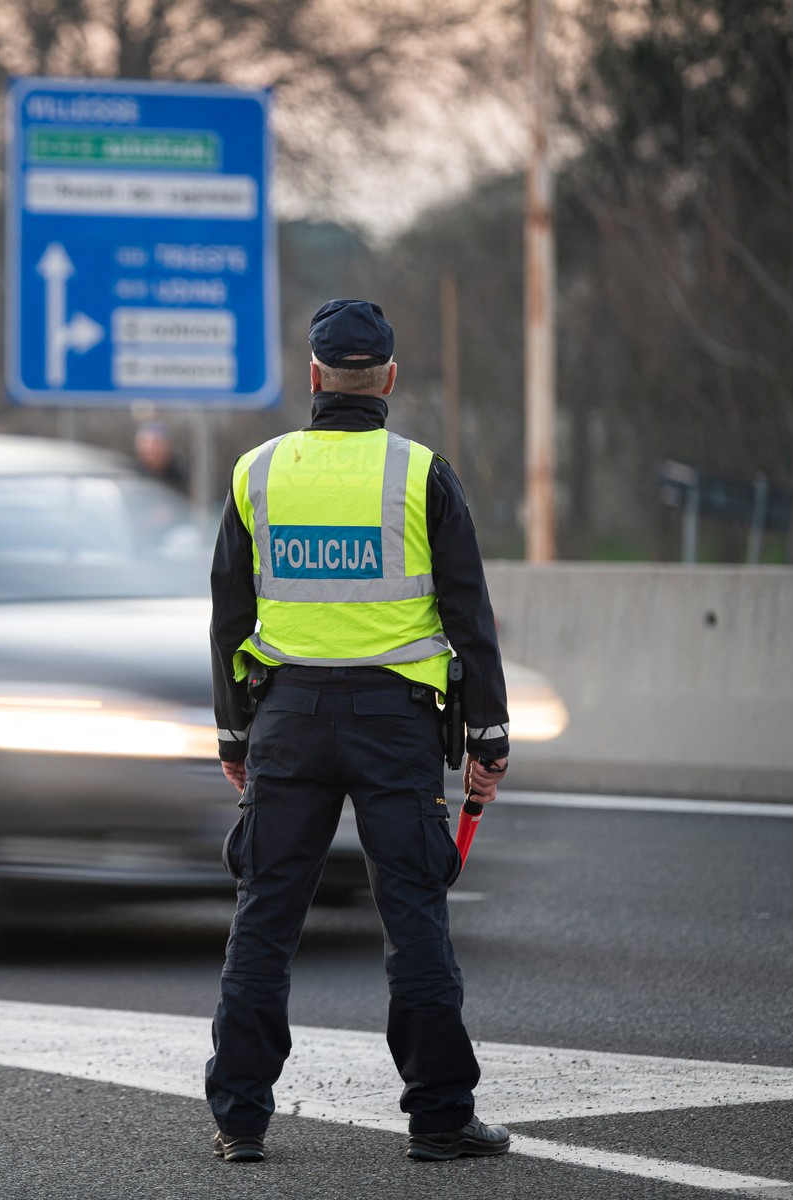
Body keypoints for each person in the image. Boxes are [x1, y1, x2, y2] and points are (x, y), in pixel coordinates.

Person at [204, 298, 512, 1165]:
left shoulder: (256, 473)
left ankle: (240, 1118)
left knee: (264, 917)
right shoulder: (423, 475)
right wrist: (488, 738)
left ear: (311, 378)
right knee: (413, 917)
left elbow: (228, 622)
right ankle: (442, 1118)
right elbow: (470, 619)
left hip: (288, 722)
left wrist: (234, 737)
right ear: (388, 379)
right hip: (395, 726)